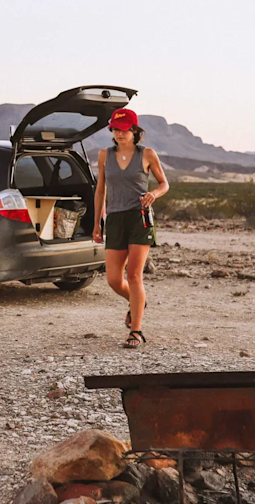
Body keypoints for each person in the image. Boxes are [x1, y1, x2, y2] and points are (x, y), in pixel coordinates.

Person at [92, 108, 169, 349]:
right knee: (114, 279)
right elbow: (100, 190)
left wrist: (154, 194)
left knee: (134, 275)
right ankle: (138, 302)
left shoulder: (147, 154)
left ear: (134, 130)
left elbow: (164, 183)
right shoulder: (104, 155)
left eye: (124, 129)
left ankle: (136, 330)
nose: (119, 133)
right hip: (115, 219)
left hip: (140, 219)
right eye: (115, 129)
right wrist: (96, 222)